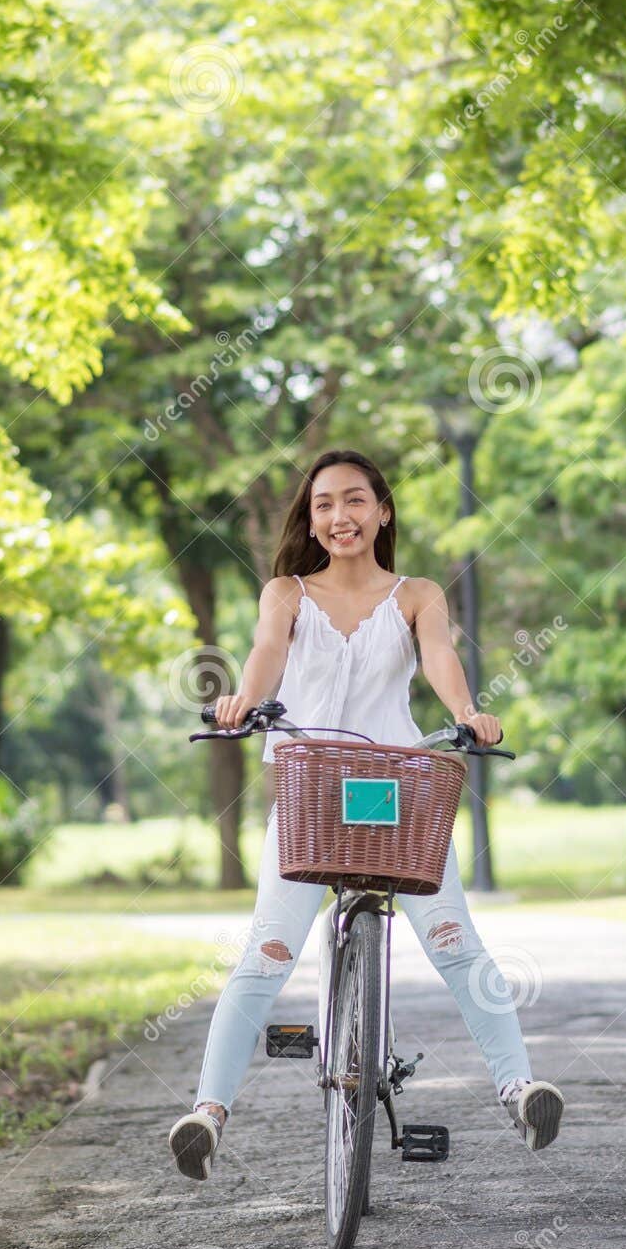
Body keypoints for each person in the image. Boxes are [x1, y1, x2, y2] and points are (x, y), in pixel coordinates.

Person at [169, 448, 563, 1181]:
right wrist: (242, 704)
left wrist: (467, 714)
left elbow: (439, 656)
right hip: (310, 790)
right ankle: (207, 1113)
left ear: (381, 511)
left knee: (454, 942)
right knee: (266, 953)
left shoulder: (416, 594)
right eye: (323, 505)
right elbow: (262, 655)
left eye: (354, 500)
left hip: (395, 791)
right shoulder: (284, 593)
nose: (338, 516)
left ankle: (518, 1089)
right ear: (310, 522)